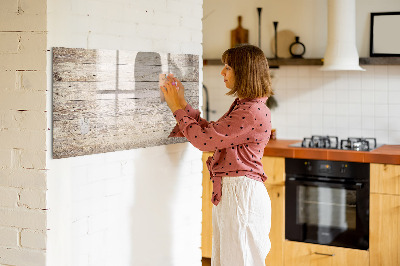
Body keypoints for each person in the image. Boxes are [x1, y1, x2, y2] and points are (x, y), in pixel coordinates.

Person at [161, 44, 273, 266]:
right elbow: (212, 133)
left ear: (244, 72)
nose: (222, 72)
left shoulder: (250, 111)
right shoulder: (246, 106)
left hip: (241, 195)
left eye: (228, 67)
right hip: (236, 193)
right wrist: (182, 103)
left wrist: (176, 108)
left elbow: (204, 141)